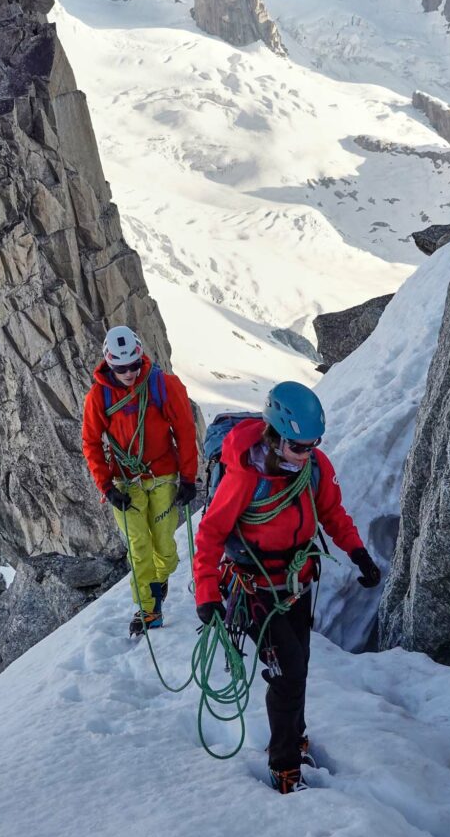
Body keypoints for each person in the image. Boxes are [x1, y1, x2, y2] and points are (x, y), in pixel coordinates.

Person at [193, 381, 380, 793]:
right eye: (298, 445)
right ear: (275, 436)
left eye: (313, 444)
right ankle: (285, 767)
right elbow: (209, 534)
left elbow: (331, 511)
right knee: (288, 672)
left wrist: (358, 552)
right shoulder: (244, 474)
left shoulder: (314, 468)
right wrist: (206, 593)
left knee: (298, 668)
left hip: (296, 583)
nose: (306, 452)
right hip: (254, 589)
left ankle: (293, 740)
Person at [83, 326, 198, 636]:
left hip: (162, 476)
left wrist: (188, 478)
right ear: (110, 364)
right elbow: (91, 443)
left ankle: (158, 584)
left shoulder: (163, 385)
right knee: (139, 546)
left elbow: (185, 431)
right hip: (125, 482)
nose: (130, 373)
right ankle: (147, 609)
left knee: (165, 548)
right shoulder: (99, 396)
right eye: (122, 368)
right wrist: (106, 486)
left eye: (134, 365)